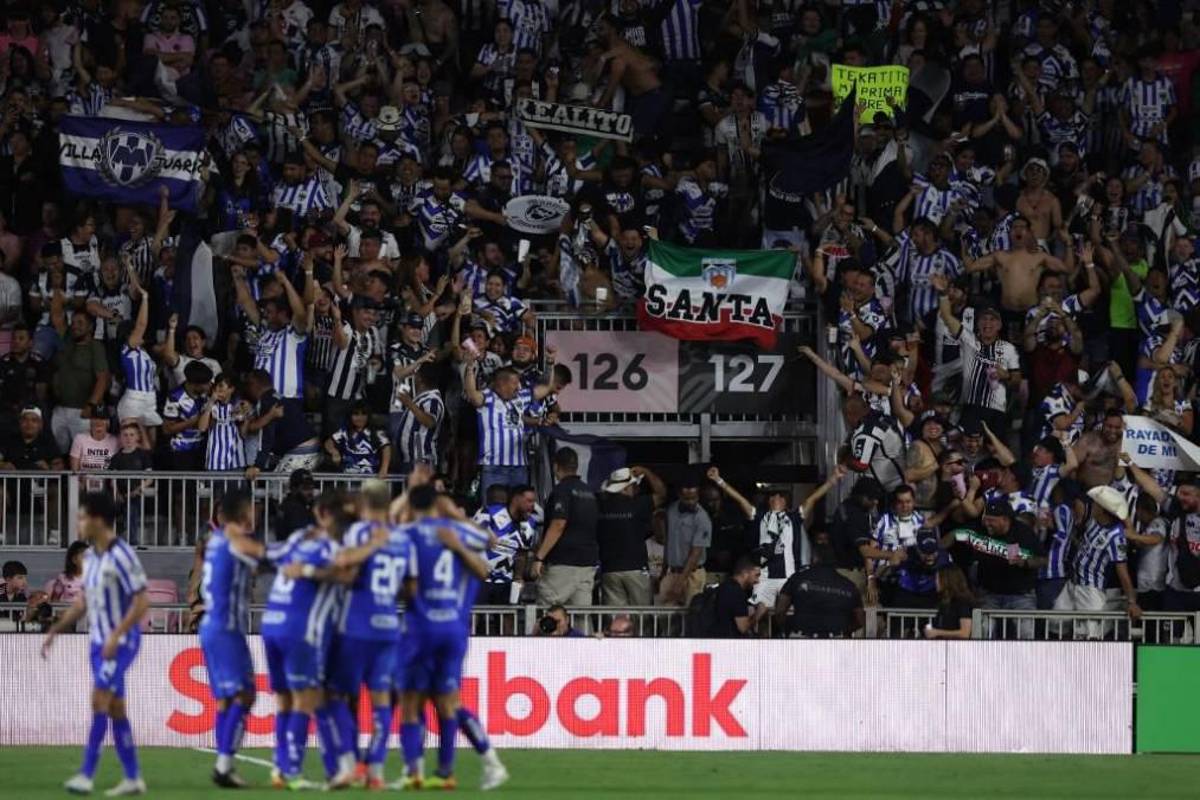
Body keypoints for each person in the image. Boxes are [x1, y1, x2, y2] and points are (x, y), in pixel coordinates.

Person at [396, 484, 507, 792]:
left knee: (411, 700)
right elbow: (492, 543)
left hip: (421, 628)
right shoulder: (461, 533)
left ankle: (413, 771)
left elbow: (410, 586)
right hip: (455, 629)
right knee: (448, 703)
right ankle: (449, 771)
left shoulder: (411, 534)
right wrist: (458, 524)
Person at [41, 491, 149, 797]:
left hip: (122, 642)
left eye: (82, 516)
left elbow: (143, 601)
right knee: (115, 707)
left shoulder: (123, 554)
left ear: (98, 520)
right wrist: (57, 629)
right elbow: (84, 600)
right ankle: (133, 777)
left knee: (99, 698)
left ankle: (86, 775)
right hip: (98, 641)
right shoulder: (90, 558)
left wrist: (117, 634)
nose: (79, 521)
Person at [260, 491, 354, 790]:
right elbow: (344, 575)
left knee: (286, 700)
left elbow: (267, 557)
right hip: (301, 630)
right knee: (307, 699)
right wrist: (310, 570)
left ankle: (280, 766)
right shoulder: (333, 545)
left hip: (272, 622)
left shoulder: (299, 538)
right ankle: (292, 770)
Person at [326, 481, 411, 789]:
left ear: (363, 502)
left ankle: (348, 765)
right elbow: (409, 585)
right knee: (381, 702)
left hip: (356, 623)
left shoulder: (359, 533)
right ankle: (375, 771)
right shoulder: (401, 538)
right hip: (389, 625)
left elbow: (343, 564)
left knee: (334, 694)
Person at [199, 490, 266, 788]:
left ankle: (223, 765)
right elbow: (267, 558)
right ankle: (223, 765)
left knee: (228, 700)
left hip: (215, 625)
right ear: (243, 513)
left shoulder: (215, 542)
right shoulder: (235, 540)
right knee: (244, 694)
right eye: (253, 508)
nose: (256, 514)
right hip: (226, 628)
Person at [1056, 486, 1142, 639]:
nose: (1092, 505)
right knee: (1056, 625)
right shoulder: (1093, 522)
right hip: (1072, 584)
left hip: (1091, 590)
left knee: (1089, 637)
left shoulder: (1117, 536)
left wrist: (1131, 601)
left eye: (1096, 503)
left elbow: (1122, 571)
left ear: (1103, 509)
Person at [531, 447, 598, 607]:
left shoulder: (562, 491)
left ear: (556, 466)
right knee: (581, 617)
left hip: (563, 564)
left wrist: (539, 557)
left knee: (549, 613)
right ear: (575, 466)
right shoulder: (589, 492)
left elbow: (558, 524)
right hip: (587, 564)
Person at [596, 466, 666, 606]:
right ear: (625, 488)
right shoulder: (639, 505)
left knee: (615, 621)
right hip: (636, 570)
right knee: (642, 618)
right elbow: (662, 493)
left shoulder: (601, 506)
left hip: (610, 570)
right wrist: (646, 471)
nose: (636, 489)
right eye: (633, 485)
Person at [773, 548, 864, 638]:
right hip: (836, 640)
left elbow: (780, 612)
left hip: (801, 639)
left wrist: (788, 628)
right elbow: (860, 620)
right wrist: (845, 631)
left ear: (814, 559)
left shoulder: (797, 578)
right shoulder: (849, 585)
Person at [474, 484, 538, 605]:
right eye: (529, 501)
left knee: (508, 618)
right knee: (475, 617)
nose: (532, 505)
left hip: (506, 581)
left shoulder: (529, 524)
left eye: (533, 501)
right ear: (516, 499)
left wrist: (518, 577)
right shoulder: (488, 513)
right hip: (480, 578)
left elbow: (522, 553)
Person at [658, 473, 712, 607]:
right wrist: (663, 573)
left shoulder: (702, 518)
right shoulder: (671, 511)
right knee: (665, 617)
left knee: (691, 615)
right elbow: (668, 544)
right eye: (687, 498)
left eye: (694, 498)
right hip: (672, 571)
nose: (691, 502)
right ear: (680, 495)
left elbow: (696, 553)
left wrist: (681, 581)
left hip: (693, 575)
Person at [709, 557, 760, 638]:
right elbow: (743, 627)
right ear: (745, 573)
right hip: (729, 643)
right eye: (756, 575)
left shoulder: (725, 586)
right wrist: (759, 613)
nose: (758, 581)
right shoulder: (736, 592)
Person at [924, 564, 976, 640]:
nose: (935, 582)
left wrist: (937, 632)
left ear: (946, 580)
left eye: (937, 579)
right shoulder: (944, 603)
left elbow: (965, 633)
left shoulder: (962, 603)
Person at [275, 469, 317, 540]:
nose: (310, 492)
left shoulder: (304, 505)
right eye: (305, 488)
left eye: (311, 488)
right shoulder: (291, 507)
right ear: (294, 489)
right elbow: (305, 533)